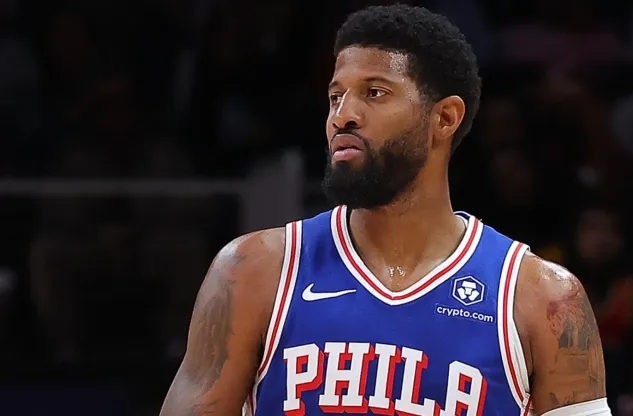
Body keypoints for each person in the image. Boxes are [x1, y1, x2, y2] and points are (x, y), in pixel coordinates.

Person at [160, 5, 610, 416]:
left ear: (446, 118)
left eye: (374, 92)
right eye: (336, 97)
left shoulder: (543, 298)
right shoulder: (254, 270)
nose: (343, 116)